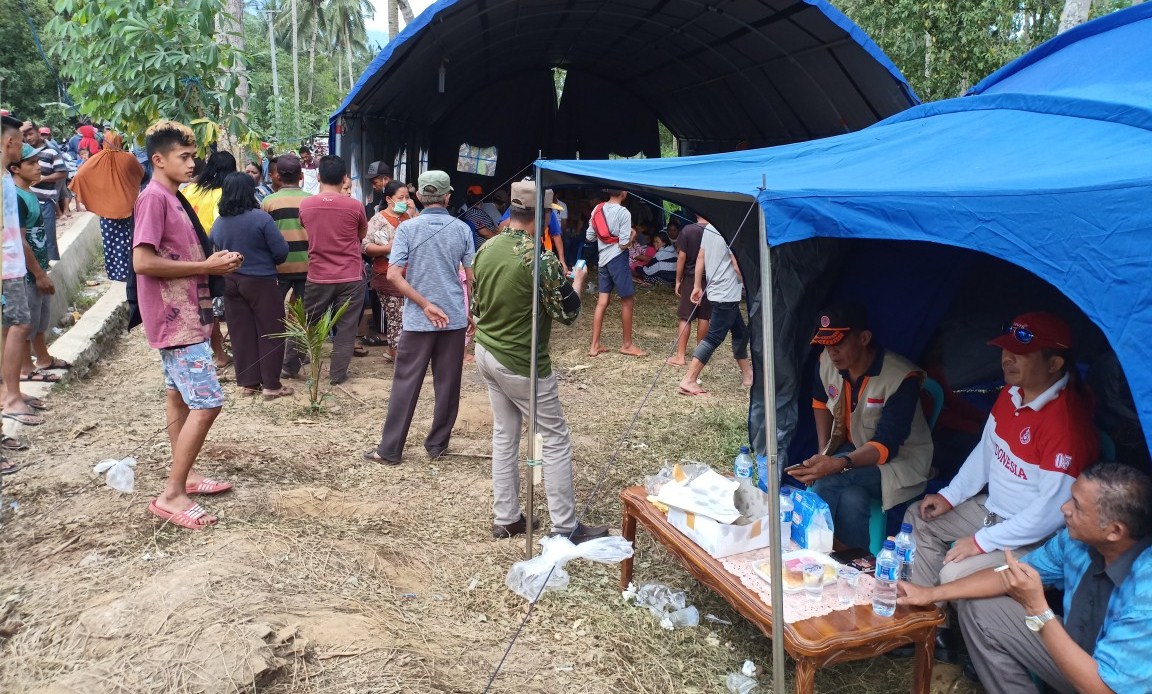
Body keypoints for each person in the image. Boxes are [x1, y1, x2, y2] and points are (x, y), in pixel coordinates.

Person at [907, 313, 1099, 657]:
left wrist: (981, 542)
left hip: (1032, 537)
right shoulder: (1012, 392)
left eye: (1020, 353)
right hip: (991, 512)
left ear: (1054, 363)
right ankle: (931, 629)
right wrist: (950, 496)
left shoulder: (1067, 426)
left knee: (954, 573)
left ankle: (977, 643)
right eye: (1005, 350)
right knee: (920, 516)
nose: (1007, 359)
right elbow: (987, 451)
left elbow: (1050, 515)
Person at [898, 462, 1152, 694]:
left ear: (1114, 531)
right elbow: (1007, 576)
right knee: (978, 608)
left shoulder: (1146, 591)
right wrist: (930, 594)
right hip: (1071, 650)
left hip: (1102, 685)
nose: (1064, 508)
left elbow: (1104, 689)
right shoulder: (1075, 543)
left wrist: (1038, 609)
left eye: (1077, 505)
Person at [471, 180, 610, 543]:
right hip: (521, 361)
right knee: (555, 438)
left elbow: (476, 305)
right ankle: (565, 526)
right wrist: (577, 282)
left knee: (505, 433)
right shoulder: (541, 259)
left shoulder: (487, 248)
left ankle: (507, 518)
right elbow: (568, 313)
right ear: (543, 215)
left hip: (486, 352)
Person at [132, 119, 242, 530]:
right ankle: (171, 495)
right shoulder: (154, 199)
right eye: (184, 156)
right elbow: (142, 262)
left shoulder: (172, 196)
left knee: (178, 396)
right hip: (175, 318)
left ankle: (187, 476)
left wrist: (213, 264)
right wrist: (205, 266)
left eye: (193, 156)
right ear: (158, 160)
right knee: (208, 402)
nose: (192, 163)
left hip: (187, 313)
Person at [790, 302, 933, 551]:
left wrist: (837, 463)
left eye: (839, 344)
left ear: (864, 338)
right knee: (852, 498)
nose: (832, 352)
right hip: (855, 451)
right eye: (827, 345)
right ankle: (854, 561)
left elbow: (886, 446)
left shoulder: (901, 378)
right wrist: (825, 452)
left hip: (899, 462)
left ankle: (808, 549)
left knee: (827, 480)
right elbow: (820, 401)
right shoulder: (826, 362)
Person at [364, 170, 474, 465]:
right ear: (448, 196)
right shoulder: (462, 229)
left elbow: (393, 275)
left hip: (418, 319)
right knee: (448, 385)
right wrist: (469, 310)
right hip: (453, 317)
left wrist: (424, 304)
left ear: (419, 197)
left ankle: (389, 450)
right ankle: (437, 445)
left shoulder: (407, 229)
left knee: (405, 383)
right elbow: (470, 277)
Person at [281, 155, 367, 386]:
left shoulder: (306, 205)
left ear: (318, 177)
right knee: (347, 327)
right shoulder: (355, 206)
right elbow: (361, 234)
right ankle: (337, 375)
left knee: (307, 322)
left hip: (318, 275)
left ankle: (289, 367)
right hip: (351, 275)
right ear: (345, 178)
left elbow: (305, 226)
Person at [209, 172, 291, 400]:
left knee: (240, 331)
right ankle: (272, 385)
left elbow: (212, 247)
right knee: (271, 330)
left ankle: (249, 383)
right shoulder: (261, 219)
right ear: (250, 192)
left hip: (230, 281)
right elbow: (281, 251)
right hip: (261, 281)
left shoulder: (219, 222)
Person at [9, 144, 70, 384]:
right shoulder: (16, 197)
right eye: (31, 164)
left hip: (38, 268)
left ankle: (43, 358)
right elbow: (20, 241)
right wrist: (38, 274)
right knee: (27, 321)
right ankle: (26, 367)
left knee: (41, 316)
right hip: (27, 273)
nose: (38, 168)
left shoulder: (29, 192)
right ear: (15, 168)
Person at [2, 114, 45, 432]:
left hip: (12, 264)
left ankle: (10, 391)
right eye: (20, 141)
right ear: (9, 142)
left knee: (10, 327)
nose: (23, 145)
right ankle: (12, 398)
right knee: (20, 325)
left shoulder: (5, 177)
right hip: (7, 266)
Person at [675, 216, 752, 396]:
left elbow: (701, 256)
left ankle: (748, 375)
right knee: (713, 337)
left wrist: (697, 285)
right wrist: (752, 285)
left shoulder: (711, 226)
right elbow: (737, 265)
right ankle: (689, 379)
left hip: (717, 290)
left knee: (739, 332)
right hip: (726, 293)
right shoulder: (731, 229)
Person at [181, 150, 236, 370]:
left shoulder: (188, 190)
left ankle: (215, 351)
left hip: (189, 255)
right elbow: (219, 226)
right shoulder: (223, 194)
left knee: (204, 304)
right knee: (221, 304)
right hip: (214, 255)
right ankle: (224, 353)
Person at [69, 130, 145, 281]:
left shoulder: (96, 159)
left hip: (107, 209)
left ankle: (117, 273)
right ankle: (132, 271)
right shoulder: (129, 157)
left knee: (111, 241)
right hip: (129, 206)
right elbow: (141, 174)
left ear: (105, 142)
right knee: (130, 239)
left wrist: (98, 191)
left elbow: (80, 175)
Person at [586, 188, 646, 357]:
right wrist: (633, 235)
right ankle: (627, 345)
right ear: (623, 193)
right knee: (627, 301)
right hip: (617, 259)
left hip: (602, 260)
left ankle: (594, 346)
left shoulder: (597, 209)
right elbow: (622, 244)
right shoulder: (623, 212)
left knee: (602, 301)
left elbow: (590, 237)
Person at [363, 179, 417, 362]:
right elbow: (365, 246)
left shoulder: (410, 217)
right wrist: (387, 248)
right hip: (386, 275)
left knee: (406, 316)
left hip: (410, 276)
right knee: (397, 317)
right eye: (400, 198)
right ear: (389, 199)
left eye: (407, 197)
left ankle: (394, 351)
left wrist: (413, 213)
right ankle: (398, 354)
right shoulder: (378, 219)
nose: (405, 201)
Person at [261, 154, 310, 302]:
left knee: (273, 309)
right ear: (301, 176)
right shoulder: (311, 201)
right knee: (306, 312)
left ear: (278, 176)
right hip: (307, 266)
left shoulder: (268, 202)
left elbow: (263, 237)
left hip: (278, 267)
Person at [667, 212, 711, 366]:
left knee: (685, 317)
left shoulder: (688, 230)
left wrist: (677, 280)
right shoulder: (716, 231)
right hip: (709, 278)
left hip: (691, 277)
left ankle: (680, 356)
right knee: (704, 317)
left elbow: (681, 257)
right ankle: (700, 356)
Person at [20, 121, 67, 262]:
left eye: (31, 134)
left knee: (48, 236)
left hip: (45, 201)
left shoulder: (51, 152)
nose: (28, 138)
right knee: (31, 235)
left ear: (38, 133)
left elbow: (62, 173)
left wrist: (43, 179)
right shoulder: (24, 152)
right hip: (28, 201)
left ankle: (51, 263)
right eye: (25, 136)